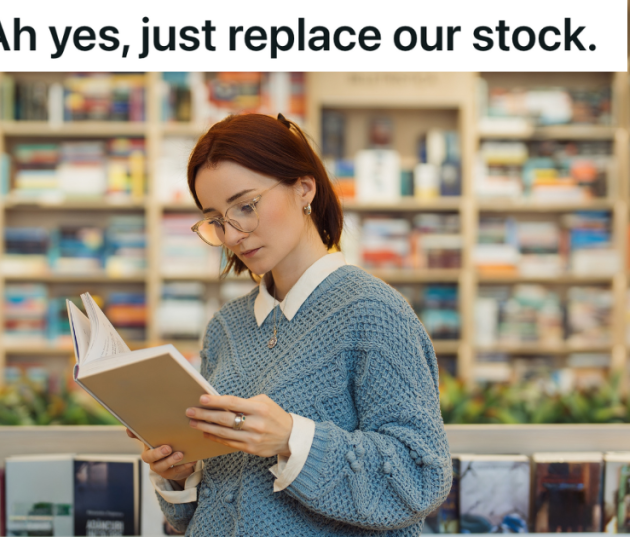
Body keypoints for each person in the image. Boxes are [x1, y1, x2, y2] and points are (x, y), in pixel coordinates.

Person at [125, 112, 452, 535]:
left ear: (303, 188)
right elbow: (192, 518)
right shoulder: (226, 327)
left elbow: (421, 478)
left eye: (245, 206)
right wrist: (179, 473)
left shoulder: (373, 312)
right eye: (217, 220)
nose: (232, 235)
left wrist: (292, 439)